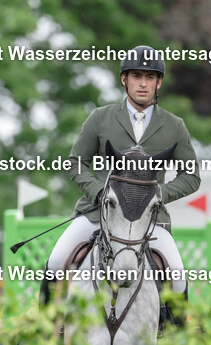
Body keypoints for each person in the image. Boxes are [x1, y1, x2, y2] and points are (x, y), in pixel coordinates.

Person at [44, 45, 201, 322]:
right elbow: (75, 162)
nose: (143, 83)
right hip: (97, 214)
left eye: (150, 77)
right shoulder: (100, 118)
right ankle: (45, 334)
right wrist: (98, 192)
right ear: (124, 79)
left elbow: (191, 176)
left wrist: (158, 194)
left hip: (150, 222)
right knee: (56, 262)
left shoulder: (175, 126)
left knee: (177, 276)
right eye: (137, 75)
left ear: (159, 82)